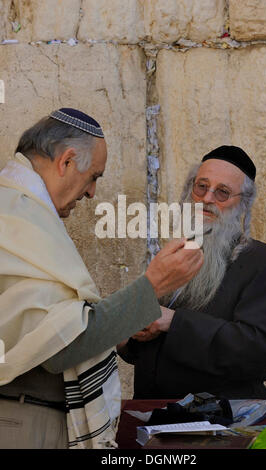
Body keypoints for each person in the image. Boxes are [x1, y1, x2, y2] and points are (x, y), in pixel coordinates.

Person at [0, 108, 204, 449]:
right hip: (24, 426)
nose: (92, 192)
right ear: (66, 162)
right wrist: (153, 285)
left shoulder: (23, 211)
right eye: (94, 176)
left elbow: (60, 328)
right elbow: (59, 348)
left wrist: (120, 328)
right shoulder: (18, 219)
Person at [118, 145, 266, 401]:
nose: (207, 198)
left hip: (220, 424)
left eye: (222, 192)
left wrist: (173, 322)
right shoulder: (176, 253)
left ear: (243, 204)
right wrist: (131, 336)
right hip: (154, 417)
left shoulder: (264, 263)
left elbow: (258, 350)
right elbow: (150, 341)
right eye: (201, 186)